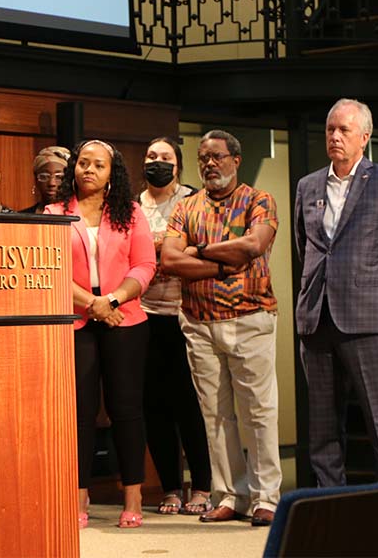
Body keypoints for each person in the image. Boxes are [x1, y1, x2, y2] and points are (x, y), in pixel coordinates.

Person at [294, 98, 378, 486]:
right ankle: (332, 507)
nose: (334, 136)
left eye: (343, 130)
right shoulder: (308, 185)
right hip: (317, 319)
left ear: (364, 137)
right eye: (330, 129)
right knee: (322, 428)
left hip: (368, 320)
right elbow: (306, 248)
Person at [161, 129, 282, 527]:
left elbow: (253, 246)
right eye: (203, 158)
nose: (209, 164)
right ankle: (231, 494)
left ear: (235, 159)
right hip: (199, 324)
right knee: (215, 416)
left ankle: (267, 498)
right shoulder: (186, 207)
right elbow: (170, 261)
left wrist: (197, 250)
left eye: (216, 156)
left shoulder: (258, 200)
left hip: (250, 319)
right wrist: (218, 262)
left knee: (258, 413)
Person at [45, 139, 155, 529]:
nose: (89, 170)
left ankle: (133, 495)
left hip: (123, 317)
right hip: (76, 319)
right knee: (80, 413)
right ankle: (79, 496)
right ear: (73, 168)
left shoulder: (132, 212)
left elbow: (144, 265)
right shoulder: (54, 212)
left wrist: (111, 299)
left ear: (112, 174)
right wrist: (91, 304)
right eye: (83, 163)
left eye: (99, 165)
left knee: (126, 410)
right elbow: (52, 268)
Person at [137, 137, 212, 516]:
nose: (158, 162)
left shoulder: (194, 201)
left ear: (178, 165)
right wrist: (164, 248)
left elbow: (204, 247)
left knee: (190, 403)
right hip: (145, 316)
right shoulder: (133, 206)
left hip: (187, 314)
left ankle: (201, 485)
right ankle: (169, 487)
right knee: (154, 406)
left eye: (165, 157)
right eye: (152, 157)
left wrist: (160, 249)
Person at [20, 145, 69, 213]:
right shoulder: (22, 217)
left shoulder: (78, 217)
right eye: (44, 176)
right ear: (36, 179)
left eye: (59, 177)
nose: (52, 183)